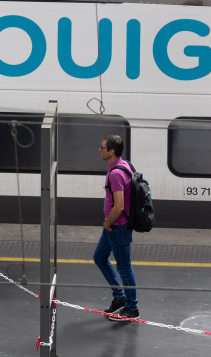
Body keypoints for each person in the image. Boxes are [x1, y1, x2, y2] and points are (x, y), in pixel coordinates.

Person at [94, 134, 139, 321]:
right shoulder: (122, 165)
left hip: (117, 226)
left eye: (103, 147)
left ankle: (132, 308)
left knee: (124, 267)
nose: (99, 149)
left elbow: (119, 206)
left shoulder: (116, 174)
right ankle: (119, 297)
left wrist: (106, 223)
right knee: (99, 257)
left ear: (111, 151)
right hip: (114, 226)